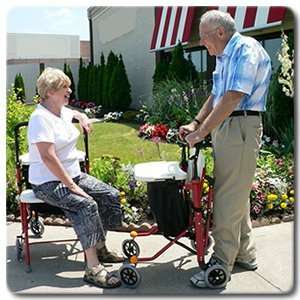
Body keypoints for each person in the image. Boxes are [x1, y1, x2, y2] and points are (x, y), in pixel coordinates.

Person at [179, 10, 271, 288]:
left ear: (220, 32)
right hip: (228, 128)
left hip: (240, 127)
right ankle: (245, 253)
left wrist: (202, 132)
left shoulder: (245, 49)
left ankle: (220, 264)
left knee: (227, 198)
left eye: (204, 38)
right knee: (235, 192)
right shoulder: (225, 55)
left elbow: (233, 97)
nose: (203, 44)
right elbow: (217, 94)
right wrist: (196, 122)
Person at [28, 67, 124, 289]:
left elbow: (71, 112)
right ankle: (92, 268)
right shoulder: (39, 118)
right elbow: (48, 157)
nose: (69, 91)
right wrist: (71, 186)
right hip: (48, 182)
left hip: (72, 174)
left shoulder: (60, 110)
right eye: (65, 87)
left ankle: (100, 247)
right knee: (86, 205)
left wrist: (81, 115)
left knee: (109, 195)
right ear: (50, 91)